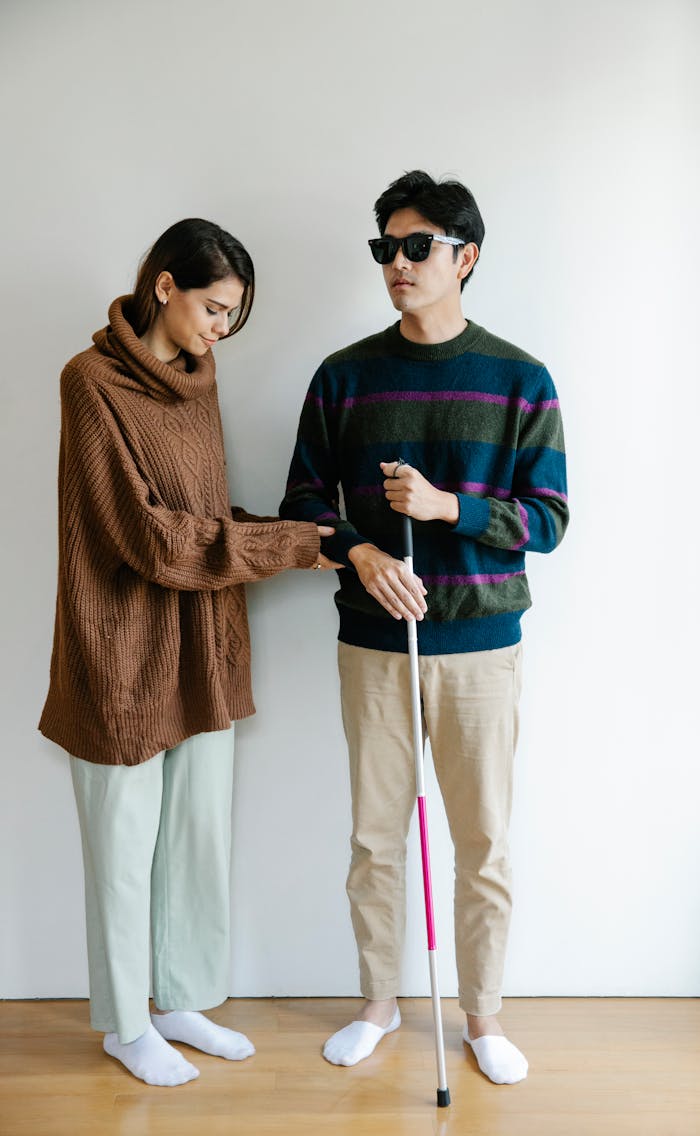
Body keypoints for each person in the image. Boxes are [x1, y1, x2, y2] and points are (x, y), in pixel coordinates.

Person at [280, 171, 568, 1085]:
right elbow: (302, 503)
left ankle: (481, 1016)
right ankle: (378, 1004)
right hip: (373, 642)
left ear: (464, 257)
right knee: (374, 836)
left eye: (417, 248)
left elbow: (550, 521)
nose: (397, 265)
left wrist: (450, 507)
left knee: (481, 840)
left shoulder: (521, 378)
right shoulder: (345, 376)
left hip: (482, 647)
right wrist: (360, 552)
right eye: (386, 250)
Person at [39, 218, 336, 1087]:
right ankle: (126, 1024)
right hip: (122, 648)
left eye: (234, 316)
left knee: (197, 838)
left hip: (202, 646)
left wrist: (301, 537)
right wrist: (284, 547)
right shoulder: (88, 382)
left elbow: (206, 513)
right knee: (125, 847)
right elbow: (149, 536)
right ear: (164, 285)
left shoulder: (199, 382)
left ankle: (180, 999)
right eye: (215, 307)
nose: (222, 329)